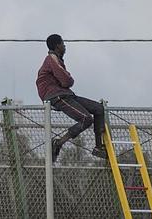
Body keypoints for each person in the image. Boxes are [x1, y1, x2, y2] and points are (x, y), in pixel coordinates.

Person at [36, 34, 107, 162]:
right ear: (57, 46)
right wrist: (69, 80)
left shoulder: (57, 59)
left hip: (65, 94)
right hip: (55, 95)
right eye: (63, 44)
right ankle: (59, 142)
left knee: (98, 108)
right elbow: (66, 80)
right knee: (86, 118)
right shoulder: (51, 59)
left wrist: (67, 82)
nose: (65, 46)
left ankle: (98, 147)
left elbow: (64, 81)